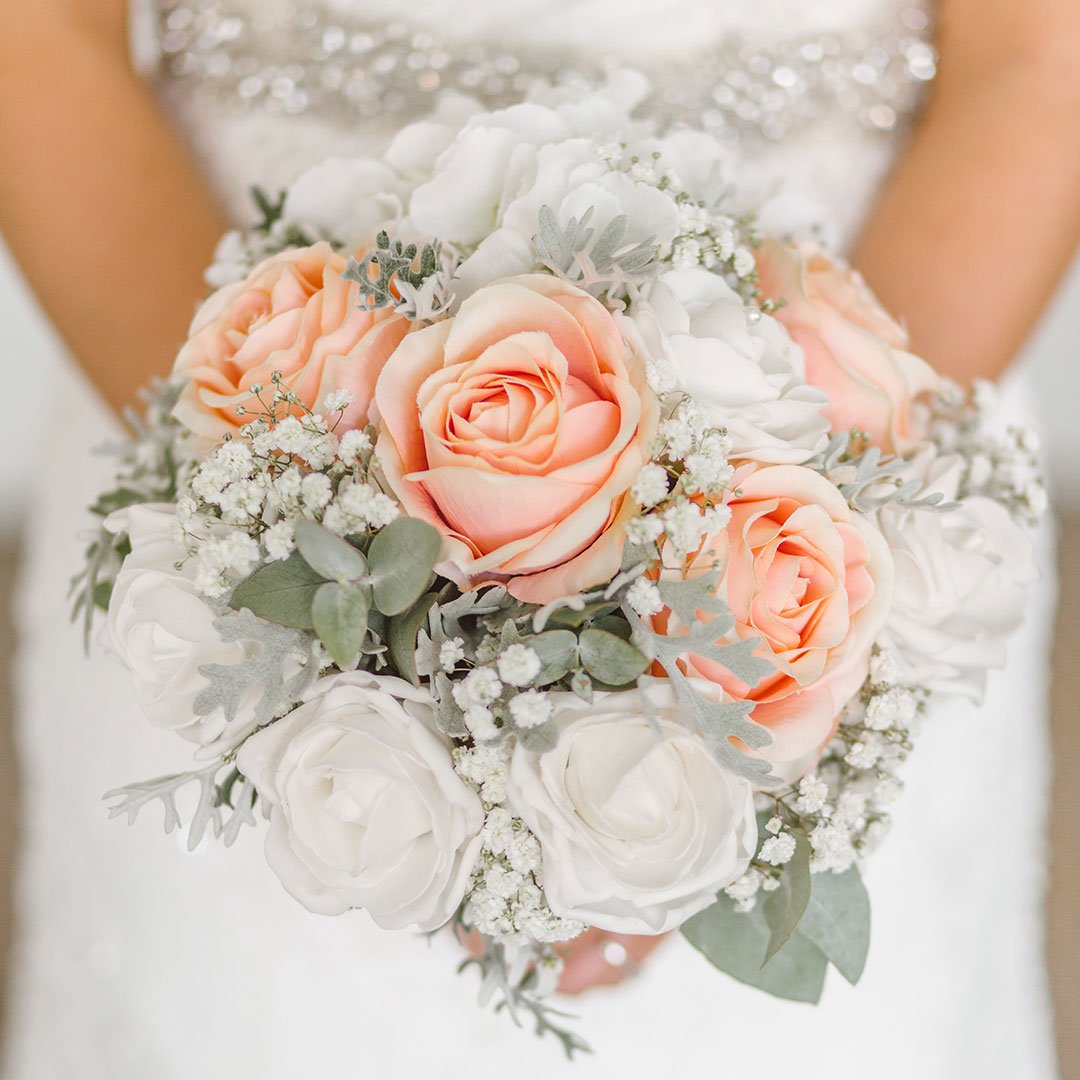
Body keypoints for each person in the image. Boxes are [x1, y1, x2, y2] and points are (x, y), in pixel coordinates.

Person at [0, 1, 1075, 1076]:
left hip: (879, 348)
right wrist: (285, 543)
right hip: (209, 351)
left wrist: (787, 575)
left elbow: (1037, 60)